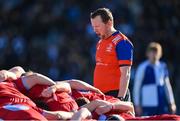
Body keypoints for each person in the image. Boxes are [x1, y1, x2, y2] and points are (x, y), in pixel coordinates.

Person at [90, 8, 134, 101]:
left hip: (115, 95)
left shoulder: (122, 42)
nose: (95, 30)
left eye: (97, 26)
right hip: (100, 95)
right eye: (93, 27)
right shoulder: (100, 42)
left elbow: (126, 74)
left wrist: (120, 98)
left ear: (109, 23)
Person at [133, 42, 176, 116]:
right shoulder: (142, 67)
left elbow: (167, 86)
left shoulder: (162, 66)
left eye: (156, 52)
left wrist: (171, 102)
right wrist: (137, 104)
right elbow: (137, 86)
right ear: (147, 54)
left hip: (161, 103)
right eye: (152, 52)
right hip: (147, 104)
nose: (154, 55)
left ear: (160, 54)